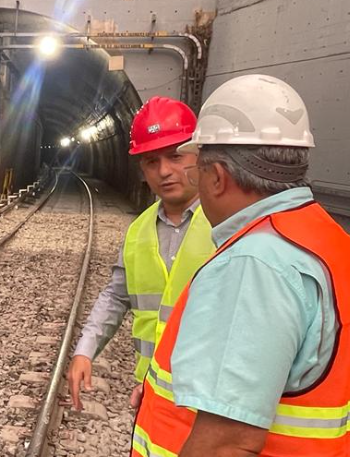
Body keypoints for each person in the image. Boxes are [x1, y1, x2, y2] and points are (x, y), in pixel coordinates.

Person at [133, 74, 350, 457]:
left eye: (196, 169)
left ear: (216, 177)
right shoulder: (326, 238)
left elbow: (227, 444)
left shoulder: (254, 263)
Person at [68, 97, 216, 412]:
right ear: (141, 170)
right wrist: (85, 350)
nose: (164, 171)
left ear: (199, 155)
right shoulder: (139, 230)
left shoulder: (227, 222)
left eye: (175, 156)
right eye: (151, 161)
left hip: (213, 397)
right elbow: (116, 296)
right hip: (153, 391)